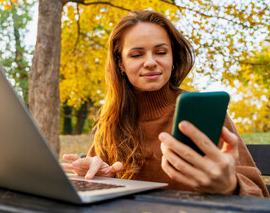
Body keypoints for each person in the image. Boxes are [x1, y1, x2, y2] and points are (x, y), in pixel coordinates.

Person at [61, 10, 269, 197]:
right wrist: (94, 176)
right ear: (121, 64)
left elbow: (259, 194)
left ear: (173, 58)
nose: (150, 62)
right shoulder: (112, 120)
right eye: (136, 54)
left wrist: (230, 185)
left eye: (161, 52)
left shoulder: (204, 113)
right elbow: (94, 177)